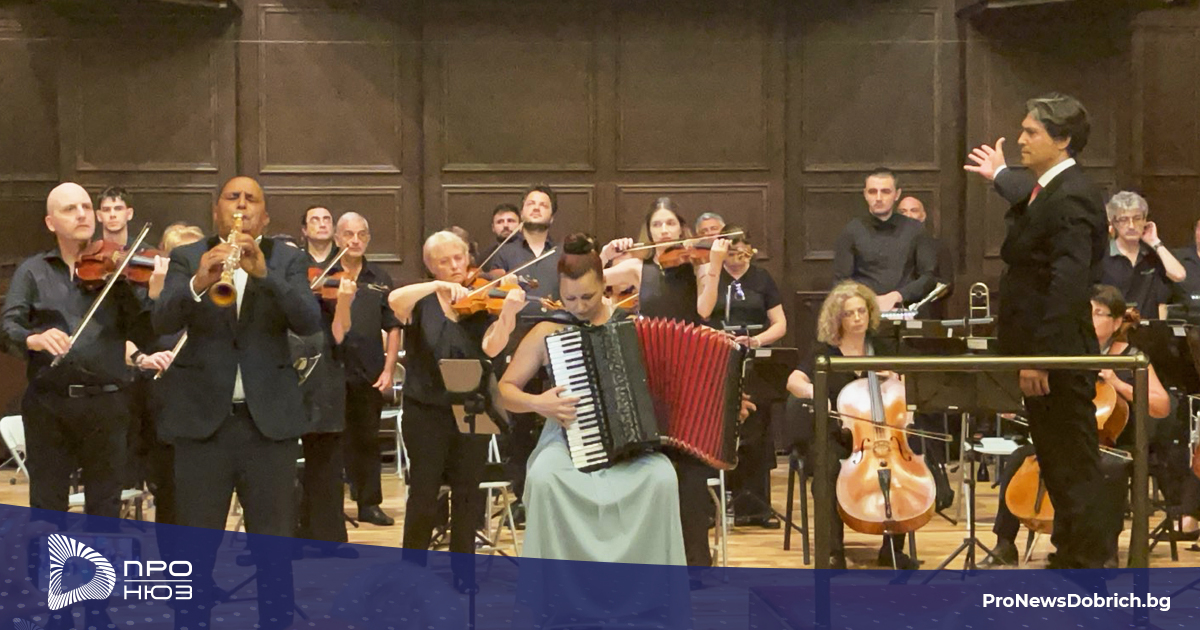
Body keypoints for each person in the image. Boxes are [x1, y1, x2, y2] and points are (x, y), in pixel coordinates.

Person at [964, 92, 1110, 569]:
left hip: (1055, 354)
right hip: (1045, 350)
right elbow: (1032, 203)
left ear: (1062, 140)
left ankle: (1086, 564)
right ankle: (1072, 557)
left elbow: (1067, 285)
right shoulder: (1054, 189)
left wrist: (1039, 358)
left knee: (1071, 464)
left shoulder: (1072, 196)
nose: (1021, 139)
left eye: (1031, 132)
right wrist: (999, 176)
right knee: (1055, 458)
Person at [985, 285, 1174, 566]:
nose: (1089, 318)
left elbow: (1162, 406)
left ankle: (1105, 551)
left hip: (1115, 444)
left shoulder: (1131, 357)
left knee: (1108, 469)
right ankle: (1004, 544)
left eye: (1098, 313)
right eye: (1086, 312)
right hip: (1068, 437)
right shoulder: (1068, 353)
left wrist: (1117, 383)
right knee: (1019, 458)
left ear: (1117, 322)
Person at [1, 182, 152, 524]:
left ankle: (100, 562)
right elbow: (7, 327)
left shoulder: (118, 270)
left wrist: (144, 289)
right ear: (50, 222)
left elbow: (145, 330)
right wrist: (33, 338)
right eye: (70, 209)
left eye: (86, 207)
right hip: (49, 403)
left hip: (107, 402)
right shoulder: (33, 271)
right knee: (47, 506)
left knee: (105, 507)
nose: (82, 214)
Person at [602, 197, 728, 569]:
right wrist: (606, 255)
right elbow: (589, 282)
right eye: (657, 224)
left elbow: (704, 310)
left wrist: (715, 264)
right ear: (649, 230)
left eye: (670, 223)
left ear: (681, 228)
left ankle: (695, 560)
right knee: (648, 464)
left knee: (689, 470)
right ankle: (650, 556)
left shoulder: (697, 265)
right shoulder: (638, 268)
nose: (663, 230)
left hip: (691, 375)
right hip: (650, 372)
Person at [387, 230, 499, 592]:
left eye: (459, 258)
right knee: (424, 492)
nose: (455, 266)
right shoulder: (421, 300)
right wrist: (437, 287)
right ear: (431, 266)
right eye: (444, 262)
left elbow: (493, 348)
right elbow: (393, 301)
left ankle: (464, 574)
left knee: (468, 493)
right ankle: (411, 572)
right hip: (426, 409)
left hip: (473, 404)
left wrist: (510, 313)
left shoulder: (482, 298)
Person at [785, 281, 916, 570]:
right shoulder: (825, 350)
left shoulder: (881, 347)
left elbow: (908, 385)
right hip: (836, 434)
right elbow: (794, 381)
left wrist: (896, 377)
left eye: (861, 311)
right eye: (849, 313)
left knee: (900, 473)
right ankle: (833, 552)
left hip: (879, 434)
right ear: (837, 318)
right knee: (827, 471)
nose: (857, 318)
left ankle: (892, 550)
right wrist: (815, 391)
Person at [707, 228, 787, 528]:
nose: (736, 258)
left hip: (752, 357)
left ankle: (753, 508)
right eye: (730, 251)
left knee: (756, 427)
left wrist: (757, 340)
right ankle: (712, 504)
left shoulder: (762, 278)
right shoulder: (712, 275)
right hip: (716, 356)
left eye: (742, 251)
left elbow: (780, 323)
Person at [333, 212, 402, 526]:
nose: (355, 240)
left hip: (369, 371)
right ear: (337, 239)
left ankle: (369, 504)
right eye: (348, 234)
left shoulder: (380, 277)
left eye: (362, 234)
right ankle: (331, 508)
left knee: (367, 440)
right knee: (332, 442)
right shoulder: (326, 275)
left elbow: (394, 326)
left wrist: (389, 369)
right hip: (332, 369)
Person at [832, 168, 937, 312]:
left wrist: (897, 296)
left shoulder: (916, 230)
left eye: (885, 191)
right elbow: (842, 282)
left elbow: (929, 278)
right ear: (865, 194)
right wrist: (870, 300)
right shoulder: (851, 231)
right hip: (863, 312)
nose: (878, 198)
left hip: (906, 310)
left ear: (897, 194)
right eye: (872, 192)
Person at [1096, 192, 1184, 319]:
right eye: (1124, 220)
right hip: (1111, 326)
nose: (1131, 226)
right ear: (1113, 223)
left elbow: (1179, 275)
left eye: (1137, 219)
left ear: (1145, 221)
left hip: (1147, 327)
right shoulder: (1102, 254)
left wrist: (1155, 241)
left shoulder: (1154, 254)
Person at [896, 196, 953, 317]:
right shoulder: (886, 246)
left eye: (914, 210)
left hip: (928, 313)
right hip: (893, 312)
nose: (908, 215)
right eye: (903, 212)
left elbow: (947, 284)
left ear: (923, 216)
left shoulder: (939, 246)